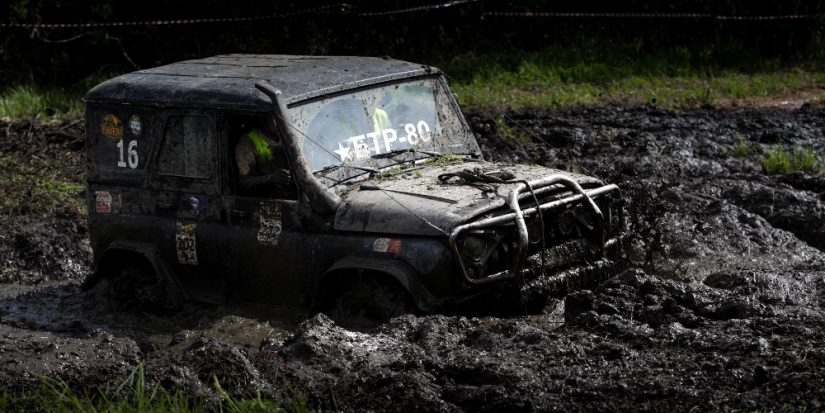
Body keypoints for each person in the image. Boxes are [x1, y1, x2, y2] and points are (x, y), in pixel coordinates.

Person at [235, 116, 293, 197]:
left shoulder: (292, 136)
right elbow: (244, 183)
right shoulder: (247, 143)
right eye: (275, 119)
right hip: (266, 201)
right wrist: (269, 178)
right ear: (262, 119)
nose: (281, 122)